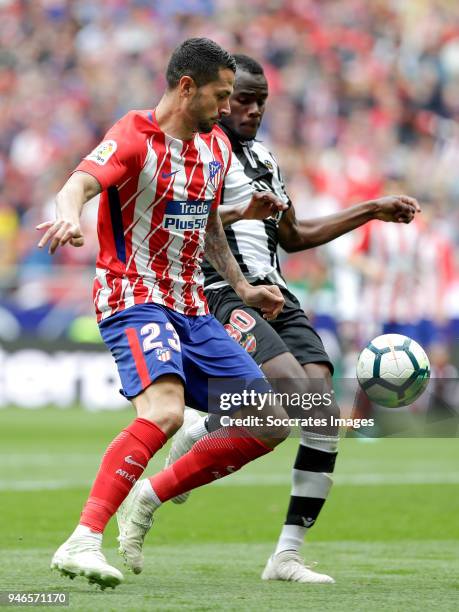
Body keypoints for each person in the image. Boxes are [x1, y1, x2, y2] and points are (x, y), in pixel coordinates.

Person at [120, 54, 420, 585]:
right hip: (219, 294)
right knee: (286, 399)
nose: (254, 109)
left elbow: (294, 236)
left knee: (323, 417)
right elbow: (188, 222)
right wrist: (239, 271)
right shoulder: (196, 152)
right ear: (219, 94)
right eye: (243, 98)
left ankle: (285, 555)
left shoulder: (262, 158)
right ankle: (150, 493)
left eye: (262, 101)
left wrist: (370, 209)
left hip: (276, 293)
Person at [37, 39, 293, 590]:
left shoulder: (215, 149)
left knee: (271, 419)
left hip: (192, 308)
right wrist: (67, 217)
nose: (228, 106)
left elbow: (207, 224)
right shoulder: (133, 136)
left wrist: (244, 287)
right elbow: (78, 184)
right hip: (133, 295)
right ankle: (82, 538)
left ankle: (148, 497)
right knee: (165, 411)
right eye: (221, 95)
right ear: (186, 87)